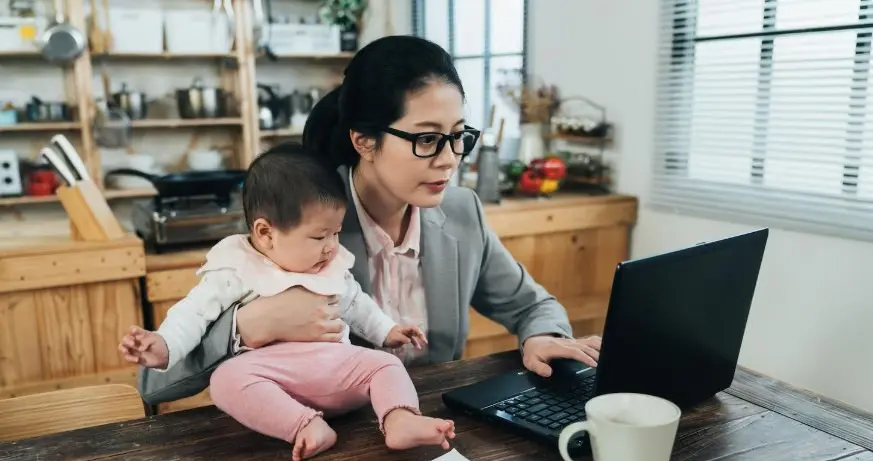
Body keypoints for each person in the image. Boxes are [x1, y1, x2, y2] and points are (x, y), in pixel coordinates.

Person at [137, 34, 601, 408]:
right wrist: (245, 326)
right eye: (426, 140)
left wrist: (542, 338)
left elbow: (530, 306)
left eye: (459, 137)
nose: (449, 161)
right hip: (316, 441)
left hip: (434, 423)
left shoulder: (461, 214)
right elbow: (154, 386)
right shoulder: (299, 222)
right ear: (364, 140)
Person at [120, 144, 455, 461]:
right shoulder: (235, 269)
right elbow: (191, 315)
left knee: (387, 365)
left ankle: (400, 420)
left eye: (336, 233)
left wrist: (388, 330)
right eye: (319, 236)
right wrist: (163, 345)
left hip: (338, 369)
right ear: (266, 233)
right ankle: (304, 426)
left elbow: (357, 304)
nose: (331, 247)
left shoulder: (331, 265)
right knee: (225, 380)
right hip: (275, 379)